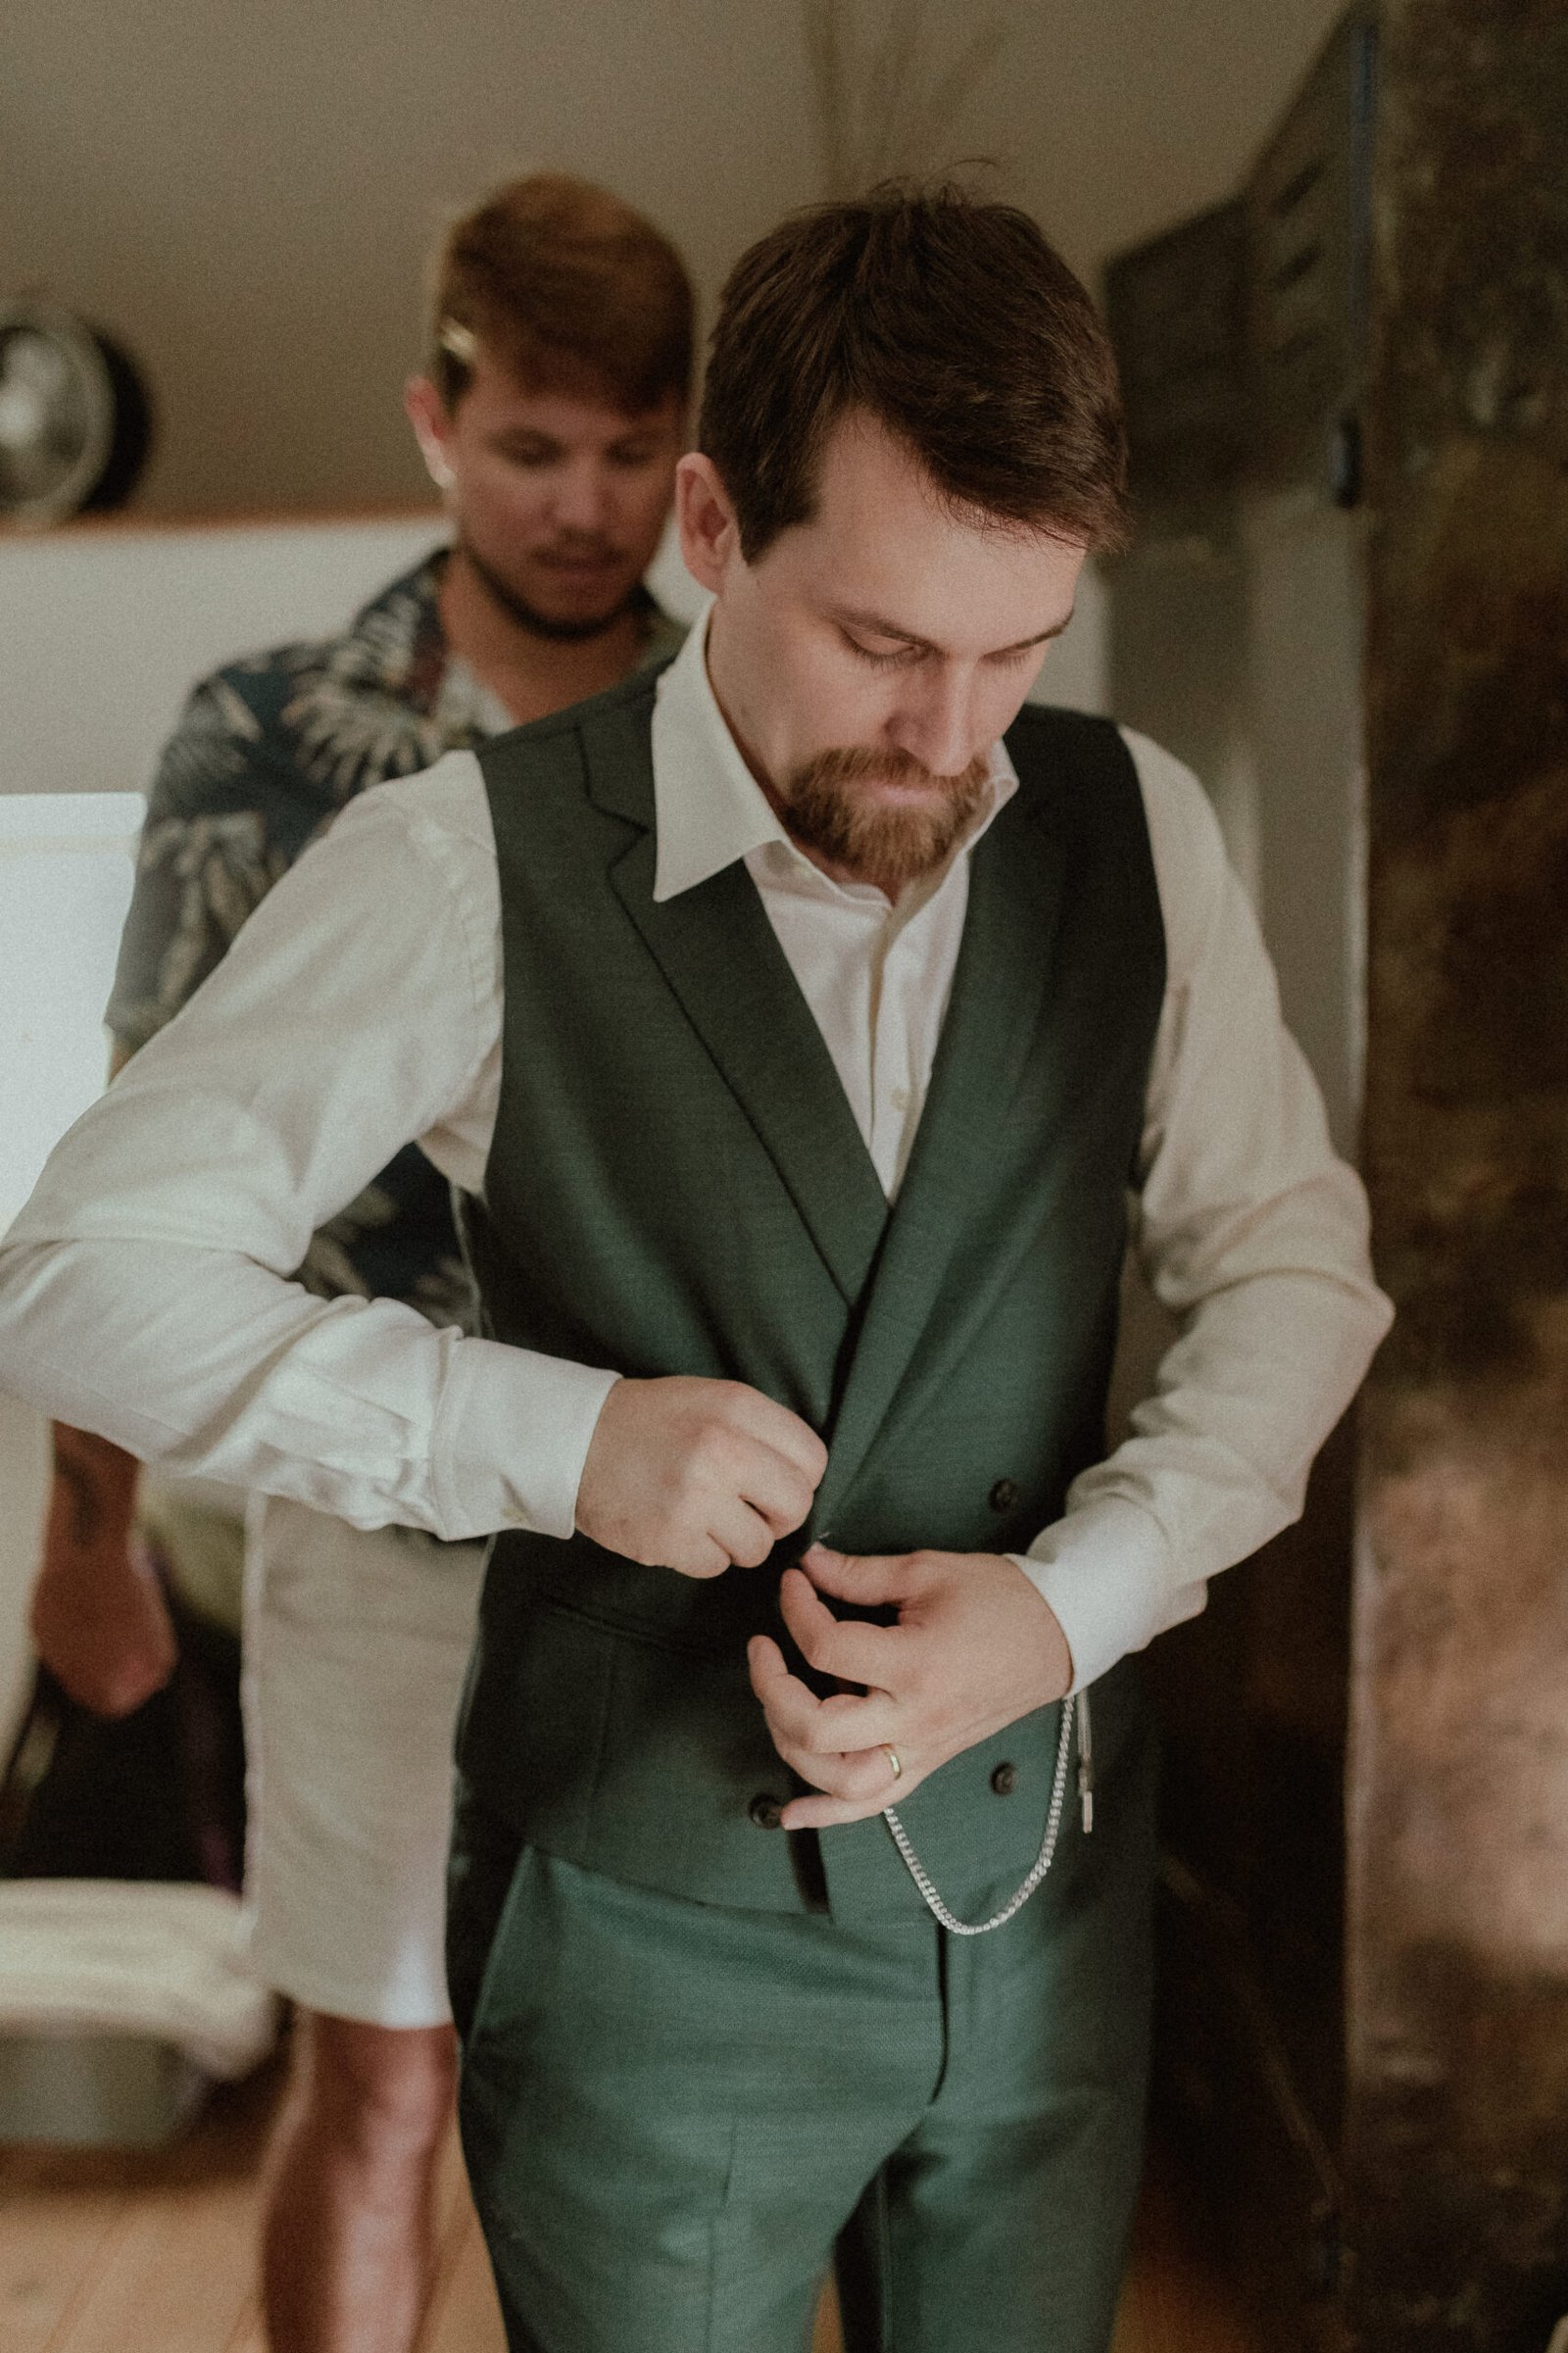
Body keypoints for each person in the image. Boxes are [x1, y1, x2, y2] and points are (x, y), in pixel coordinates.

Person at [0, 184, 1392, 2353]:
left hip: (1042, 1910)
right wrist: (545, 1438)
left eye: (1018, 649)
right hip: (643, 1945)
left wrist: (1076, 1601)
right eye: (884, 644)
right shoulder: (458, 860)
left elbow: (1296, 1271)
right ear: (715, 524)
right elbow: (79, 1270)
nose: (954, 738)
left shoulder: (1137, 829)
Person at [23, 172, 691, 2353]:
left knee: (655, 2091)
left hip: (681, 1519)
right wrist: (91, 1537)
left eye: (628, 450)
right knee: (384, 2073)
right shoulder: (264, 735)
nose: (581, 505)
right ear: (434, 421)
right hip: (372, 1503)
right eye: (530, 447)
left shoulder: (744, 731)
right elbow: (143, 1151)